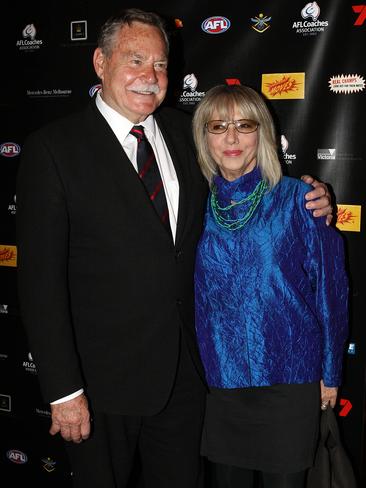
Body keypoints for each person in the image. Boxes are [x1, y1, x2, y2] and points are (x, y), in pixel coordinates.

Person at [16, 8, 332, 488]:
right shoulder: (53, 150)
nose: (150, 76)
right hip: (102, 386)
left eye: (161, 64)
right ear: (100, 62)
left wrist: (313, 195)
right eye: (135, 60)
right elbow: (39, 284)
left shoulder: (189, 135)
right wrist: (63, 390)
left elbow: (245, 192)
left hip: (190, 377)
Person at [192, 84, 349, 488]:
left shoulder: (300, 199)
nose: (230, 138)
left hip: (289, 383)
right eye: (218, 126)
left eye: (244, 125)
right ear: (203, 135)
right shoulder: (194, 206)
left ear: (261, 133)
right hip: (221, 385)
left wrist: (330, 374)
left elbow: (331, 293)